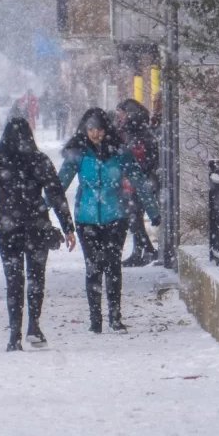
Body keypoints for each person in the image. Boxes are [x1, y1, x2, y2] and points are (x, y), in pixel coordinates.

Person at [0, 116, 76, 352]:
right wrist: (67, 227)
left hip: (8, 229)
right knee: (36, 278)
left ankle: (14, 335)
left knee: (14, 280)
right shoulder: (38, 160)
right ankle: (34, 326)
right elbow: (55, 194)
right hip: (36, 226)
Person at [59, 108, 160, 334]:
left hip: (116, 216)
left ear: (107, 130)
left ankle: (115, 316)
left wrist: (152, 211)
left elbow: (139, 181)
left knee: (113, 266)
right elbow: (59, 185)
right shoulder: (78, 153)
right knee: (93, 268)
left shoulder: (120, 153)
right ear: (85, 130)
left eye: (100, 129)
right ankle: (96, 318)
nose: (95, 134)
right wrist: (43, 207)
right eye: (91, 129)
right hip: (86, 218)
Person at [116, 98, 159, 267]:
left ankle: (145, 250)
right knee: (134, 217)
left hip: (141, 183)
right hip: (131, 183)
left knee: (134, 216)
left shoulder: (142, 135)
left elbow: (148, 160)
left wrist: (140, 175)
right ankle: (142, 250)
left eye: (123, 113)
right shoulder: (129, 133)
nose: (120, 117)